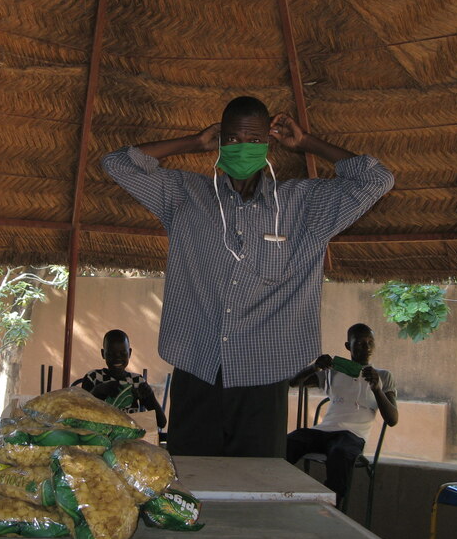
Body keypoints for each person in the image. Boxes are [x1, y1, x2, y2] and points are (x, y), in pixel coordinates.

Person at [101, 95, 394, 457]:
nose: (244, 148)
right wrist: (193, 142)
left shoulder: (306, 205)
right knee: (191, 476)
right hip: (197, 367)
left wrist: (306, 143)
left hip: (263, 375)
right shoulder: (184, 195)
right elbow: (118, 164)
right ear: (221, 141)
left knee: (258, 482)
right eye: (233, 139)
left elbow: (376, 178)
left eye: (255, 140)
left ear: (269, 144)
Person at [286, 323, 398, 505]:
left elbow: (392, 419)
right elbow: (294, 383)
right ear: (348, 346)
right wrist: (315, 367)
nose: (367, 347)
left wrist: (377, 389)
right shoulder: (336, 370)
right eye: (360, 342)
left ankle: (331, 506)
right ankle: (274, 493)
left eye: (370, 342)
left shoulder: (383, 376)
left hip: (352, 435)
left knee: (340, 454)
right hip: (324, 430)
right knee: (288, 442)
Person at [80, 329, 167, 429]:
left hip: (129, 440)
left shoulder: (136, 381)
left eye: (123, 353)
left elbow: (161, 422)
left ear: (129, 353)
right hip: (98, 438)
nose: (117, 358)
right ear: (103, 353)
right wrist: (97, 392)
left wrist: (150, 396)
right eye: (111, 354)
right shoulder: (93, 378)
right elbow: (79, 415)